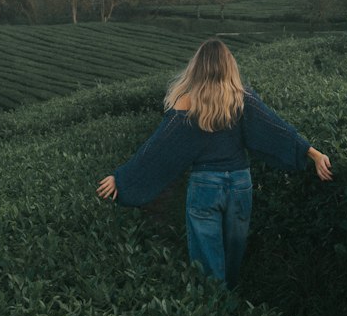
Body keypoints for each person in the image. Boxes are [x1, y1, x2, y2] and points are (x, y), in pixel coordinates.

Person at [96, 38, 332, 288]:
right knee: (233, 255)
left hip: (205, 186)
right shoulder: (242, 98)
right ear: (229, 66)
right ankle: (231, 308)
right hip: (240, 185)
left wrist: (122, 179)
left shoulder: (186, 102)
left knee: (208, 263)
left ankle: (217, 312)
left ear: (197, 67)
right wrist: (314, 154)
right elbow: (277, 129)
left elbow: (156, 149)